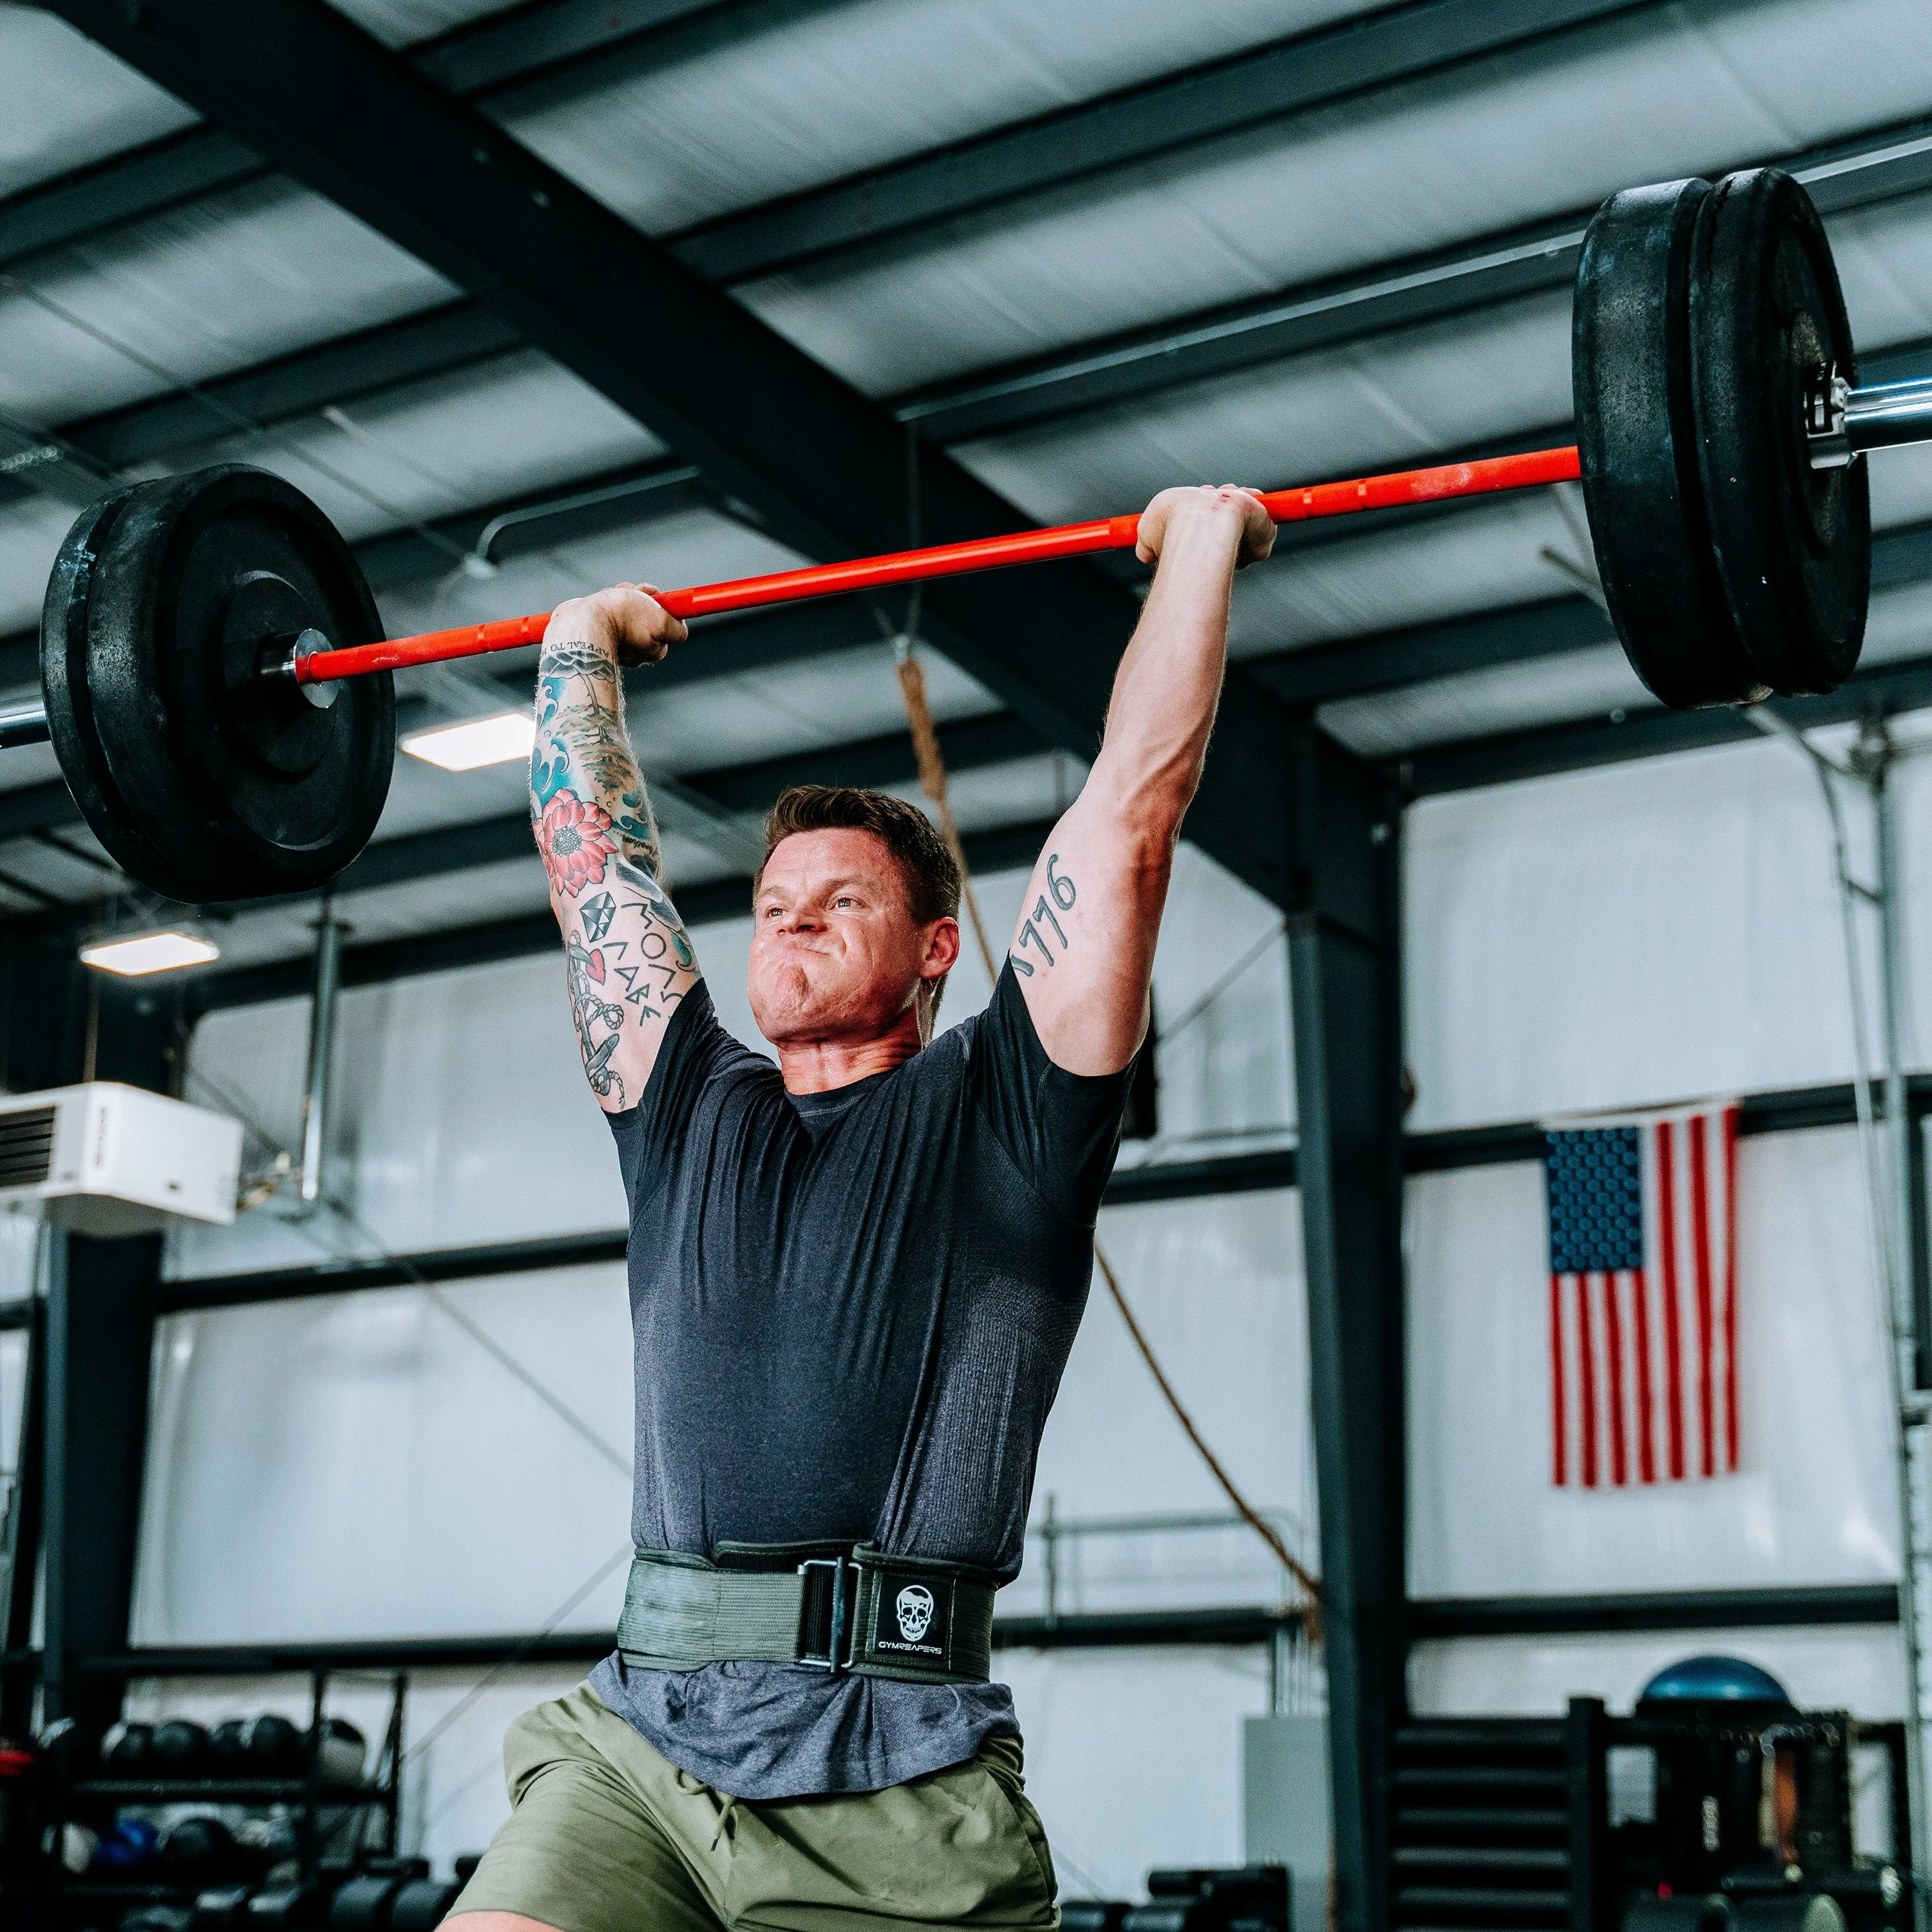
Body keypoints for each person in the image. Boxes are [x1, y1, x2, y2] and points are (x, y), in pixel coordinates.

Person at [448, 483, 1275, 1932]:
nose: (791, 919)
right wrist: (575, 653)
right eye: (772, 903)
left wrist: (1199, 552)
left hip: (894, 1779)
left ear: (938, 947)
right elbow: (599, 890)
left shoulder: (1004, 1110)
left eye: (840, 902)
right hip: (636, 1748)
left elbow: (1129, 821)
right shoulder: (689, 1106)